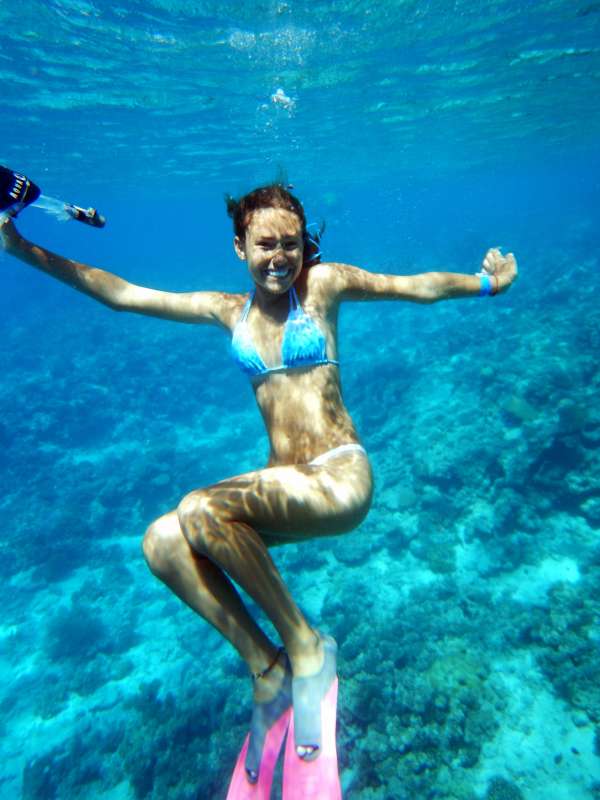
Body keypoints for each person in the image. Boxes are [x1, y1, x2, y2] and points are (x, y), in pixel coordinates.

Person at [0, 183, 518, 797]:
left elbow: (415, 287)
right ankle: (267, 668)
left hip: (340, 475)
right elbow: (122, 295)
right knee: (163, 541)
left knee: (198, 508)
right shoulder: (229, 311)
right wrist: (18, 245)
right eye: (265, 243)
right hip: (282, 487)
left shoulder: (323, 289)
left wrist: (488, 284)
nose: (279, 256)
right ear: (239, 246)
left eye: (291, 245)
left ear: (307, 248)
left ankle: (306, 648)